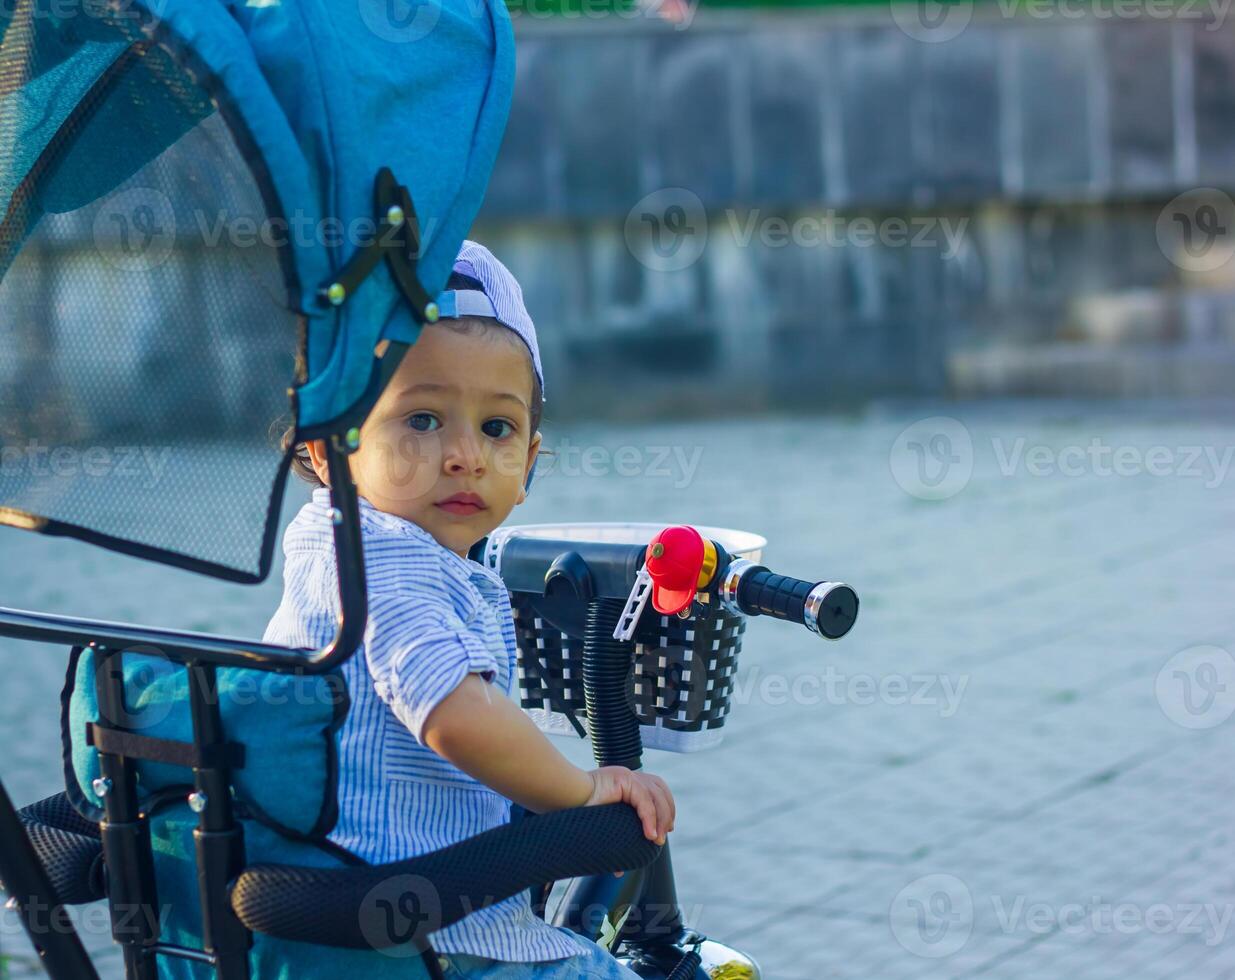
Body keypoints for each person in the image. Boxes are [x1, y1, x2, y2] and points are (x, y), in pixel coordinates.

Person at [265, 240, 673, 978]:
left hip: (358, 909)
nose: (465, 456)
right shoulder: (374, 553)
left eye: (497, 428)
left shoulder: (342, 543)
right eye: (421, 420)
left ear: (530, 462)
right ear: (329, 446)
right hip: (427, 935)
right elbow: (453, 713)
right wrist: (583, 790)